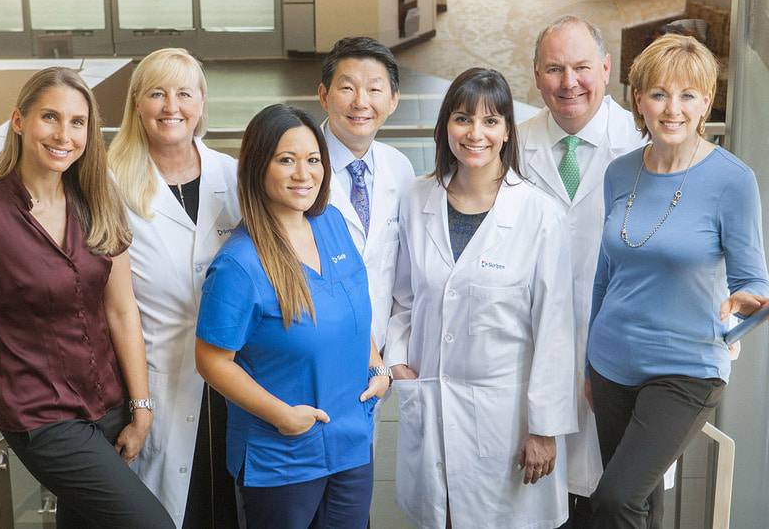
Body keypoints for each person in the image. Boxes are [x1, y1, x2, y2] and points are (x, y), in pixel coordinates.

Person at [0, 67, 174, 528]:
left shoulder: (97, 199)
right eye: (49, 117)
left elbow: (121, 310)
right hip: (41, 415)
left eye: (77, 122)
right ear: (19, 121)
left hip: (109, 402)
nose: (63, 135)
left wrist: (141, 407)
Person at [586, 34, 769, 529]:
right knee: (642, 506)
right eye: (659, 94)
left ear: (707, 103)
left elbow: (754, 282)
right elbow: (606, 274)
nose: (673, 109)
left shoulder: (733, 180)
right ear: (639, 101)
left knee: (615, 501)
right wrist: (589, 359)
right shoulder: (619, 173)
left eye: (688, 95)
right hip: (610, 363)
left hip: (686, 367)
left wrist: (745, 303)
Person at [385, 67, 577, 528]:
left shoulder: (538, 213)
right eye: (462, 118)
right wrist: (397, 362)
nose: (476, 133)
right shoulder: (416, 198)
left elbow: (554, 327)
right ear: (445, 126)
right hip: (431, 401)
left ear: (508, 131)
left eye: (491, 121)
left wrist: (544, 428)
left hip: (506, 419)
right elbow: (403, 297)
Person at [195, 104, 391, 529]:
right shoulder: (239, 265)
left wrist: (377, 363)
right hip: (283, 454)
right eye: (286, 160)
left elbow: (355, 306)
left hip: (351, 439)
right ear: (257, 168)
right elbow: (211, 361)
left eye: (313, 160)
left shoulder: (332, 223)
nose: (304, 174)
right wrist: (284, 417)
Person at [518, 15, 647, 527]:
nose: (568, 82)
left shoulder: (642, 142)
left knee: (619, 499)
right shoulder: (513, 143)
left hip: (623, 352)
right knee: (541, 504)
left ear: (607, 68)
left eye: (581, 67)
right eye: (554, 69)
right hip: (533, 353)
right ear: (535, 75)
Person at [108, 48, 241, 528]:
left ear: (201, 103)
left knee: (230, 506)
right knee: (174, 511)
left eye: (184, 93)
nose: (171, 106)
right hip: (157, 379)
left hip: (236, 375)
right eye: (157, 93)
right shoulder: (109, 182)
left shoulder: (234, 175)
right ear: (137, 104)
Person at [318, 36, 415, 357]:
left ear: (393, 100)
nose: (361, 102)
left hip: (378, 352)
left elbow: (403, 275)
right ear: (323, 95)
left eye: (374, 89)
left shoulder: (399, 168)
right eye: (347, 88)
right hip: (311, 349)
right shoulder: (296, 166)